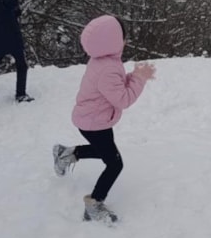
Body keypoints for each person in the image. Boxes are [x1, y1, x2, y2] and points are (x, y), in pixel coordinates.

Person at [52, 15, 156, 222]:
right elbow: (123, 99)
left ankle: (66, 154)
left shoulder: (102, 61)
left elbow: (113, 87)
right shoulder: (108, 67)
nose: (126, 41)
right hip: (95, 124)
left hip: (91, 120)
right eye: (123, 37)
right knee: (114, 164)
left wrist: (132, 76)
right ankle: (94, 203)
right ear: (115, 43)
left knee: (104, 152)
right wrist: (139, 79)